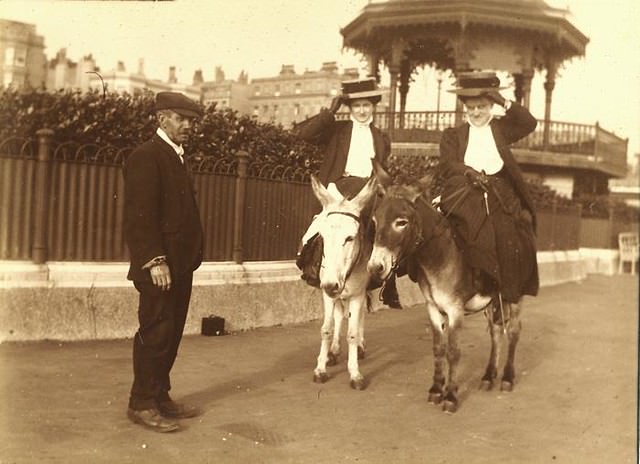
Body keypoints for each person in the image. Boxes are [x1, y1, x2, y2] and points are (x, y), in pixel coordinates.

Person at [123, 91, 204, 432]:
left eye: (191, 121)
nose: (188, 126)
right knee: (156, 331)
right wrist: (154, 261)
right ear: (162, 119)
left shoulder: (175, 156)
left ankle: (160, 396)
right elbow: (140, 216)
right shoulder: (147, 156)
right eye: (181, 119)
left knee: (170, 333)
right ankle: (141, 402)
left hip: (179, 264)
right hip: (159, 266)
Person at [294, 77, 403, 309]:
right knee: (326, 226)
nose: (362, 110)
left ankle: (386, 280)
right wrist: (331, 111)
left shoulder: (381, 138)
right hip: (341, 187)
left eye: (366, 105)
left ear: (373, 106)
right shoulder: (337, 130)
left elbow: (382, 170)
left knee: (385, 225)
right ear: (350, 108)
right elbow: (303, 134)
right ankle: (312, 266)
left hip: (369, 189)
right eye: (357, 106)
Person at [437, 71, 539, 306]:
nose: (476, 112)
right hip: (464, 189)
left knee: (506, 234)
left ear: (491, 106)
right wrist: (469, 172)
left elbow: (529, 123)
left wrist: (503, 101)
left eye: (482, 106)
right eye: (471, 107)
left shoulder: (501, 130)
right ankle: (474, 282)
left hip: (499, 192)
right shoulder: (454, 135)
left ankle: (503, 291)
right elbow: (447, 164)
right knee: (462, 231)